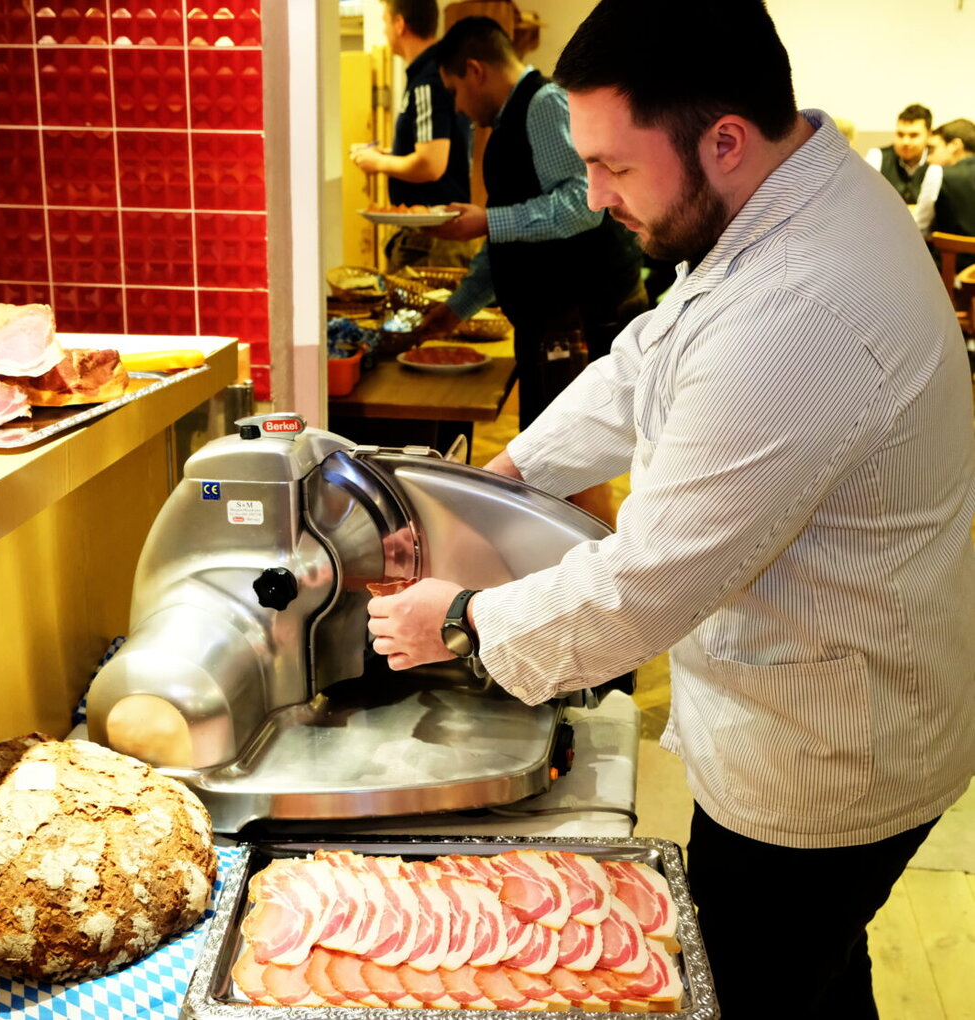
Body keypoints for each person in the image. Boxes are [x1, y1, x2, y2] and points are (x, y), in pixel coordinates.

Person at [367, 1, 975, 1018]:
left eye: (612, 167)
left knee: (749, 986)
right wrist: (500, 479)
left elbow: (644, 583)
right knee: (820, 976)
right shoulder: (787, 191)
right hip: (843, 702)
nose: (594, 194)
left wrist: (461, 622)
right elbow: (646, 361)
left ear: (722, 139)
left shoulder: (800, 309)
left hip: (828, 761)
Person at [419, 16, 647, 429]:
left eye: (454, 92)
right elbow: (511, 239)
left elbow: (583, 205)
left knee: (572, 458)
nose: (457, 107)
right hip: (551, 320)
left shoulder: (542, 103)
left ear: (475, 70)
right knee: (552, 454)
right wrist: (458, 308)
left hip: (581, 314)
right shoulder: (512, 117)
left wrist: (486, 221)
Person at [350, 0, 476, 271]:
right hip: (432, 236)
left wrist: (378, 163)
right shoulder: (433, 72)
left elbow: (431, 164)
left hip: (432, 240)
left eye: (385, 21)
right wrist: (383, 154)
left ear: (399, 24)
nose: (384, 30)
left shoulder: (428, 78)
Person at [867, 103, 941, 235]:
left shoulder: (938, 163)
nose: (906, 142)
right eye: (900, 135)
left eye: (913, 135)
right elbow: (868, 205)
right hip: (882, 236)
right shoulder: (877, 156)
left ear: (929, 135)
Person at [928, 119, 975, 270]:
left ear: (955, 145)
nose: (929, 158)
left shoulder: (938, 173)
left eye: (933, 149)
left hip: (952, 271)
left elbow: (920, 228)